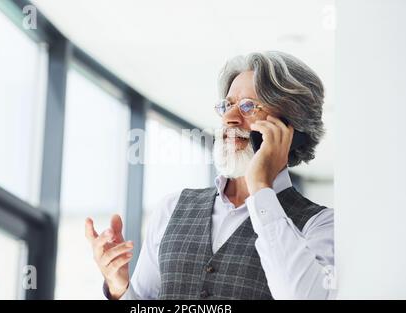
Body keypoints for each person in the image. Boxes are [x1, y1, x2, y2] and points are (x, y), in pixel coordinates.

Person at [85, 51, 335, 300]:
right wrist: (119, 288)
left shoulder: (320, 224)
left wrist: (261, 187)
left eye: (248, 106)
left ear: (289, 128)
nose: (229, 119)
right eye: (227, 106)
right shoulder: (171, 208)